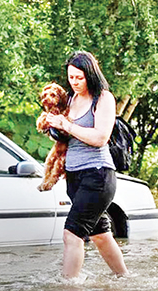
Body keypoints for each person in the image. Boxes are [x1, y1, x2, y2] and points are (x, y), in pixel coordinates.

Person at [45, 51, 128, 279]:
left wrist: (68, 126)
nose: (74, 82)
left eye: (79, 78)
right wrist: (55, 127)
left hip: (98, 175)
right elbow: (66, 138)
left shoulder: (103, 98)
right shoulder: (70, 100)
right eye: (71, 77)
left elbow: (100, 137)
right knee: (100, 234)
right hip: (74, 176)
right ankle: (124, 279)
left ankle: (69, 290)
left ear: (90, 74)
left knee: (71, 234)